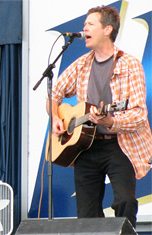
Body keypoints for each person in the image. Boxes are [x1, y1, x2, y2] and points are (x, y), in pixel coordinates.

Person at [49, 6, 152, 228]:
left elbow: (139, 115)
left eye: (90, 24)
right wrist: (55, 117)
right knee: (86, 217)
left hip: (119, 144)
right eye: (84, 24)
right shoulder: (82, 64)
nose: (84, 27)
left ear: (107, 29)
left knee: (125, 201)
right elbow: (54, 94)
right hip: (86, 146)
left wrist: (111, 121)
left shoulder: (129, 64)